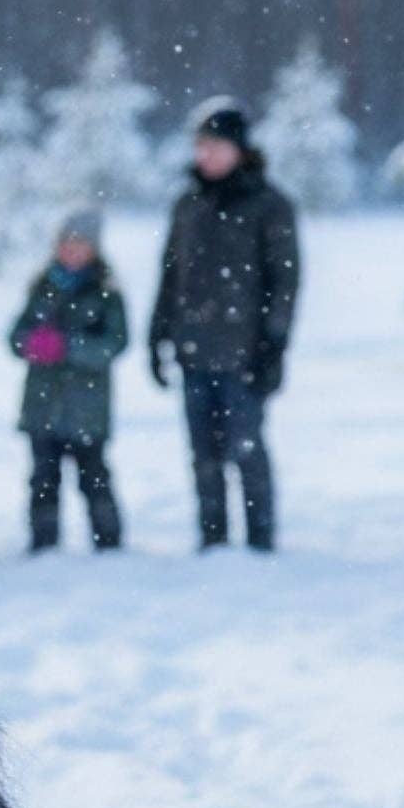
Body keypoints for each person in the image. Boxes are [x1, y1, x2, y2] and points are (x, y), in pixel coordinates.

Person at [148, 97, 300, 552]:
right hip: (193, 350)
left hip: (245, 354)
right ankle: (212, 539)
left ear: (238, 149)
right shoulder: (187, 205)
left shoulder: (269, 206)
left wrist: (274, 344)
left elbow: (285, 281)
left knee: (246, 451)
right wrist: (156, 335)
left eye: (215, 146)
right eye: (200, 146)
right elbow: (170, 275)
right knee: (203, 456)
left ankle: (260, 541)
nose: (206, 155)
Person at [8, 204, 128, 553]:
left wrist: (69, 348)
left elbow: (114, 343)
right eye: (66, 243)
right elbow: (15, 335)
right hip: (42, 407)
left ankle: (109, 544)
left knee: (95, 479)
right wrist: (30, 343)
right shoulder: (43, 286)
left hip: (86, 409)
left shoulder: (107, 291)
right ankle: (43, 544)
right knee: (43, 480)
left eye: (79, 244)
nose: (71, 251)